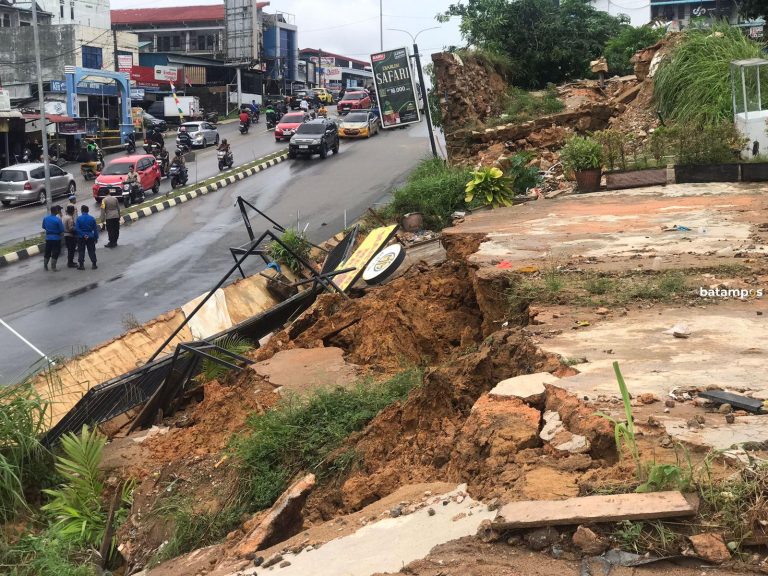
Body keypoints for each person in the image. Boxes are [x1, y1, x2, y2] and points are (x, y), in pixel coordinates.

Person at [75, 205, 98, 270]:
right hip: (90, 236)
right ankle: (94, 264)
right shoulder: (92, 218)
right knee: (91, 250)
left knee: (81, 250)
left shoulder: (79, 219)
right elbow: (95, 229)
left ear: (81, 211)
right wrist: (96, 238)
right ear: (88, 210)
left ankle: (81, 265)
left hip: (81, 237)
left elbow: (77, 229)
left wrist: (83, 235)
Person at [41, 205, 64, 271]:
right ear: (56, 211)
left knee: (47, 252)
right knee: (55, 252)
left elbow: (43, 226)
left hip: (48, 238)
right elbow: (61, 230)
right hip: (56, 238)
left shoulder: (46, 218)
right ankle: (53, 267)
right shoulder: (58, 220)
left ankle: (45, 265)